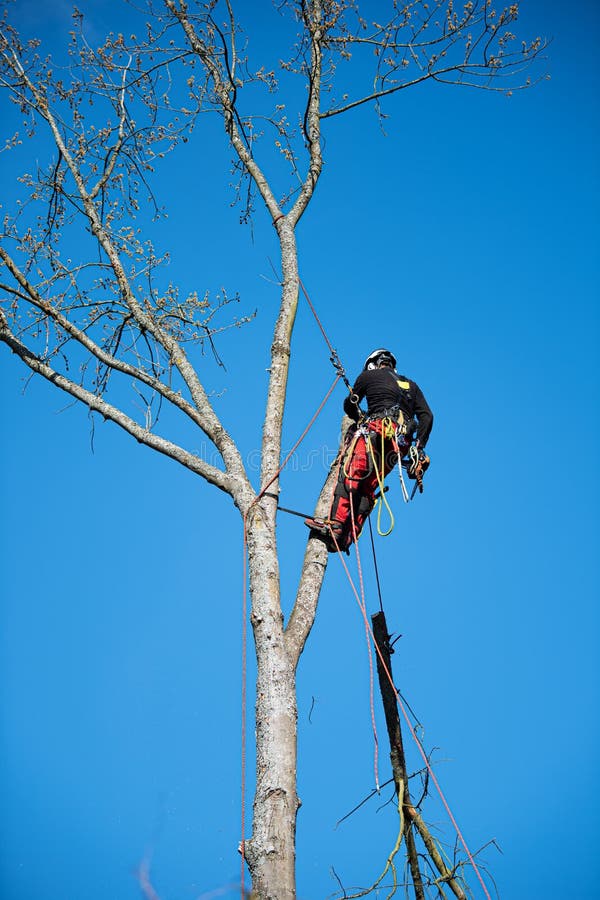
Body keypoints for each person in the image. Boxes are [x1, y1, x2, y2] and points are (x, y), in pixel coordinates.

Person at [306, 348, 433, 552]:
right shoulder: (412, 386)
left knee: (351, 474)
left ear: (373, 364)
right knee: (368, 486)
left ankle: (336, 525)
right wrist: (419, 446)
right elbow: (427, 416)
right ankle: (349, 535)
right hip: (399, 446)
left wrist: (361, 415)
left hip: (376, 432)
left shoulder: (368, 376)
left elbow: (349, 405)